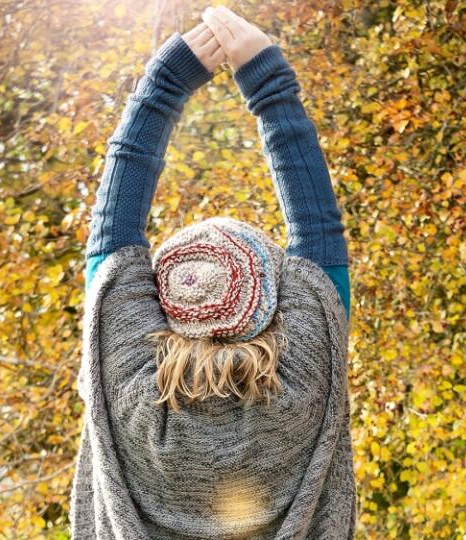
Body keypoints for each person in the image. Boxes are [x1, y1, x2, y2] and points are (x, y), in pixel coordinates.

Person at [70, 6, 356, 538]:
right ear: (272, 299)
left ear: (165, 302)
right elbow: (319, 232)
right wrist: (267, 82)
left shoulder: (130, 390)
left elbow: (112, 232)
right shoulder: (300, 386)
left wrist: (164, 86)